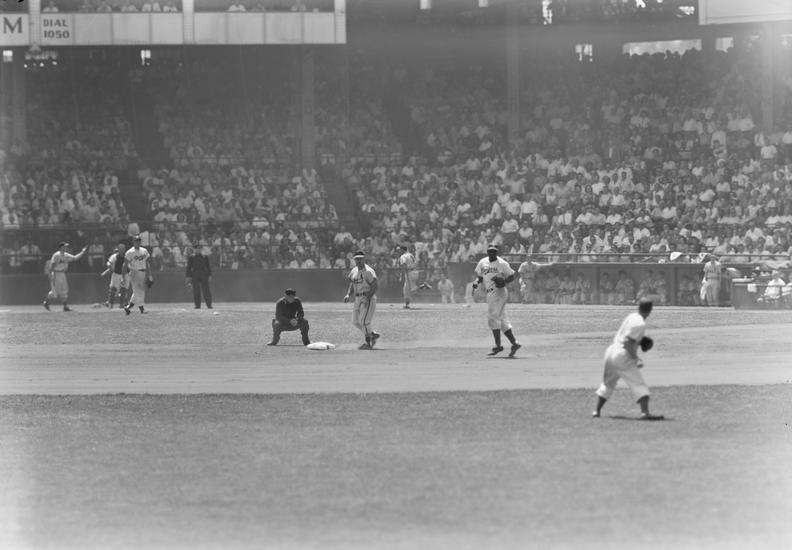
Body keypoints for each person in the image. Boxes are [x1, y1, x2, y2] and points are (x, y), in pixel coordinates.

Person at [592, 300, 663, 420]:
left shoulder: (631, 316)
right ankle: (645, 413)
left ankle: (596, 411)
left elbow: (626, 336)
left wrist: (640, 340)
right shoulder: (640, 324)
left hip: (610, 351)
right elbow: (627, 342)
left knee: (608, 384)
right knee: (638, 384)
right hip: (622, 356)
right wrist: (636, 358)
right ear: (650, 310)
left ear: (638, 307)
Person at [472, 244, 521, 357]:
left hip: (499, 291)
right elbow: (480, 276)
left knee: (493, 317)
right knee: (502, 320)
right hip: (490, 293)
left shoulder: (502, 263)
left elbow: (512, 275)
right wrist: (476, 282)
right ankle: (514, 343)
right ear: (487, 251)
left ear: (497, 252)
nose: (492, 253)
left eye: (494, 251)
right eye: (490, 251)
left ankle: (498, 346)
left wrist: (504, 281)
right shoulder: (482, 262)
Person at [343, 251, 380, 350]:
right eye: (357, 259)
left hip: (368, 297)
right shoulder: (354, 270)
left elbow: (375, 286)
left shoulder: (369, 271)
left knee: (364, 321)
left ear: (364, 259)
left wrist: (367, 298)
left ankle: (368, 343)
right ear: (354, 260)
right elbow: (352, 283)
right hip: (357, 298)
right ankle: (372, 334)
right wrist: (348, 294)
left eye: (360, 258)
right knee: (355, 321)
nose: (359, 260)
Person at [43, 242, 88, 312]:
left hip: (63, 274)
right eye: (64, 246)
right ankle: (46, 302)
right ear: (61, 247)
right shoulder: (56, 255)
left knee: (64, 290)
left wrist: (82, 252)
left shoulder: (66, 255)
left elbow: (75, 258)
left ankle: (65, 306)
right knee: (55, 292)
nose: (66, 247)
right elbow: (52, 265)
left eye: (66, 246)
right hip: (56, 273)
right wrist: (50, 274)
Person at [123, 235, 153, 315]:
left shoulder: (144, 250)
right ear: (133, 242)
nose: (137, 242)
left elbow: (147, 263)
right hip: (134, 272)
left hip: (143, 272)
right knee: (139, 291)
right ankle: (142, 309)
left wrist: (150, 274)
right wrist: (123, 276)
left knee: (138, 291)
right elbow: (125, 264)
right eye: (136, 240)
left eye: (139, 240)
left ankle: (128, 307)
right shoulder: (130, 252)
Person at [100, 240, 128, 309]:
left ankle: (122, 304)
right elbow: (109, 263)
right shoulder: (114, 256)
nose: (121, 250)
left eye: (123, 248)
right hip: (116, 274)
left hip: (125, 275)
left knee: (123, 290)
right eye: (120, 248)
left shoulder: (127, 256)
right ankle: (110, 304)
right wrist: (108, 265)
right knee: (113, 289)